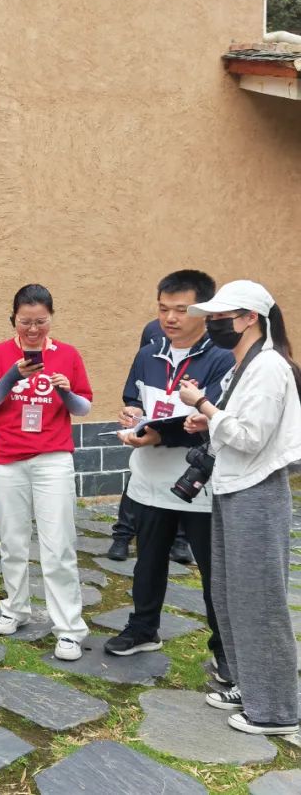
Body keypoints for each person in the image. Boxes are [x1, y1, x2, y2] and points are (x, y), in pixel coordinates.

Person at [179, 280, 301, 735]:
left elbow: (251, 437)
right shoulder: (243, 365)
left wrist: (203, 404)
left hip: (257, 491)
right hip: (234, 487)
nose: (213, 324)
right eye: (211, 317)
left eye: (220, 317)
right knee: (230, 594)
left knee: (259, 600)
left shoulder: (268, 367)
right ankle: (249, 686)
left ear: (251, 318)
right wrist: (207, 419)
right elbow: (238, 426)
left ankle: (276, 710)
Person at [103, 271, 233, 680]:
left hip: (199, 483)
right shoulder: (150, 352)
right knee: (148, 560)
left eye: (180, 310)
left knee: (213, 572)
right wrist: (133, 415)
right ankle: (143, 629)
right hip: (150, 479)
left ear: (204, 311)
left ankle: (225, 649)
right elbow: (133, 397)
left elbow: (217, 418)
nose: (170, 318)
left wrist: (162, 433)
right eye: (163, 309)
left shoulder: (222, 358)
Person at [0, 284, 92, 661]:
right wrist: (12, 374)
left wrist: (65, 392)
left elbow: (83, 408)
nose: (34, 329)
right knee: (13, 541)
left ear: (51, 318)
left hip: (53, 458)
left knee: (59, 545)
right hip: (7, 458)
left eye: (41, 321)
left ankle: (69, 628)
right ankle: (15, 608)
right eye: (26, 322)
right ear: (14, 319)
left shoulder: (68, 354)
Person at [108, 317, 196, 565]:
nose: (172, 316)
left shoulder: (206, 340)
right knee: (138, 477)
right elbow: (136, 388)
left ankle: (180, 540)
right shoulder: (152, 331)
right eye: (165, 307)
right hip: (152, 422)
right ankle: (123, 535)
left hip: (185, 427)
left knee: (185, 479)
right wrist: (133, 409)